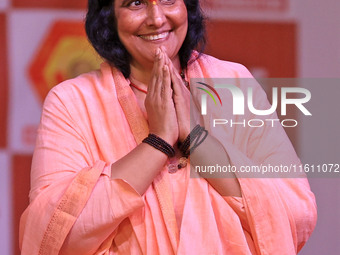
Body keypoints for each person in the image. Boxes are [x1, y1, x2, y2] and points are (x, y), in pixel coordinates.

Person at [19, 0, 317, 254]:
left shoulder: (233, 81)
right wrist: (158, 141)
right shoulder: (73, 101)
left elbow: (294, 213)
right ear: (109, 15)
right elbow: (53, 234)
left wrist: (195, 138)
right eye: (135, 2)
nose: (157, 18)